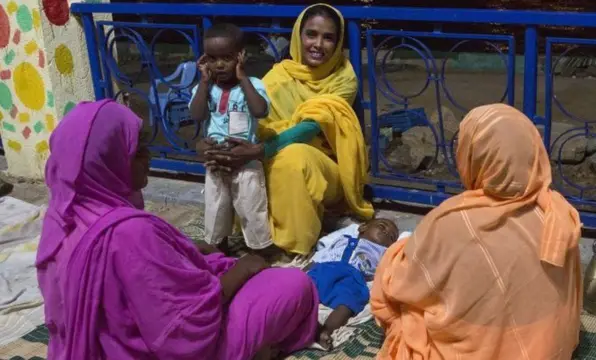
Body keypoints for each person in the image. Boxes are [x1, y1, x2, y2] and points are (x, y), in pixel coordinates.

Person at [36, 99, 319, 360]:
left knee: (210, 259)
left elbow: (126, 279)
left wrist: (181, 250)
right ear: (106, 162)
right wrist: (243, 269)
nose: (148, 157)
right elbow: (182, 329)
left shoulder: (62, 218)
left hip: (112, 343)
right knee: (293, 284)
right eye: (136, 152)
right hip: (171, 351)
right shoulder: (129, 233)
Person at [371, 104, 582, 360]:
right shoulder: (557, 217)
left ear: (473, 155)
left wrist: (395, 254)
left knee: (395, 272)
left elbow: (402, 286)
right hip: (549, 347)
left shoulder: (451, 223)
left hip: (479, 350)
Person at [197, 4, 374, 256]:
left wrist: (260, 150)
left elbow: (309, 128)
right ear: (298, 36)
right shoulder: (279, 76)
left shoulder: (343, 78)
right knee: (235, 159)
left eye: (328, 38)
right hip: (269, 156)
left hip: (328, 170)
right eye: (311, 34)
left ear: (338, 44)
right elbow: (245, 120)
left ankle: (290, 248)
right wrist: (214, 147)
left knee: (294, 157)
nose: (318, 44)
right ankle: (241, 239)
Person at [189, 23, 273, 255]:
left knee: (251, 208)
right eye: (213, 58)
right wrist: (204, 82)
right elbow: (197, 115)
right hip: (216, 160)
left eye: (227, 57)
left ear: (240, 56)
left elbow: (259, 111)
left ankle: (259, 253)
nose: (219, 64)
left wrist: (242, 76)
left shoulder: (252, 85)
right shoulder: (206, 88)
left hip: (246, 161)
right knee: (216, 207)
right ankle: (219, 248)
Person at [305, 218, 399, 349]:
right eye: (382, 227)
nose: (386, 233)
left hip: (353, 276)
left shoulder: (385, 253)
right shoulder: (342, 239)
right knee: (303, 285)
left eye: (391, 237)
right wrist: (305, 270)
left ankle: (325, 330)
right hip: (326, 268)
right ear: (363, 228)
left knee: (349, 301)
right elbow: (323, 255)